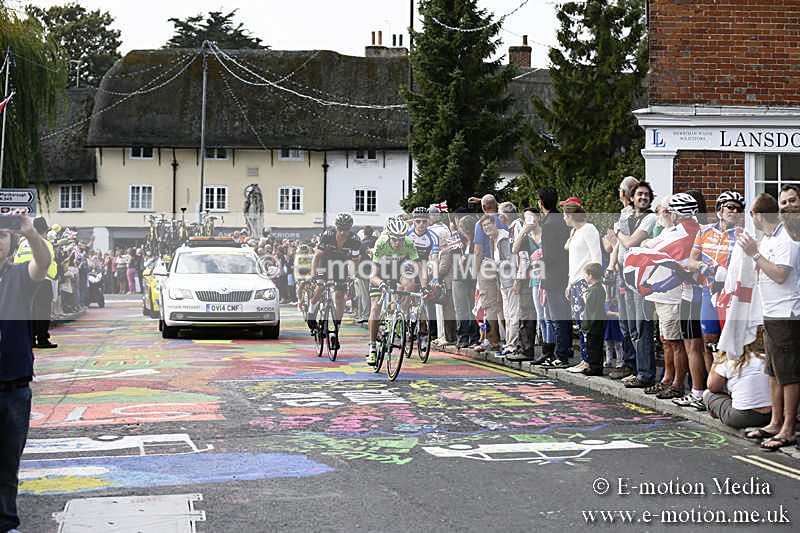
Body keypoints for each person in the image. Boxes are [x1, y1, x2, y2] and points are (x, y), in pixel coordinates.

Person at [0, 210, 51, 533]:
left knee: (7, 465)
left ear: (10, 243)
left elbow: (43, 263)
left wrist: (31, 233)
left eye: (2, 236)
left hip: (14, 389)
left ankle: (6, 524)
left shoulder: (19, 277)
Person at [738, 193, 799, 451]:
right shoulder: (768, 239)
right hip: (771, 314)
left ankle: (788, 428)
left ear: (759, 215)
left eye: (752, 213)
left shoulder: (787, 239)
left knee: (789, 374)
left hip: (787, 314)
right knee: (773, 372)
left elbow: (781, 275)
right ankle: (775, 422)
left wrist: (754, 256)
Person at [682, 190, 745, 409]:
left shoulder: (743, 236)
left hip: (731, 296)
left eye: (739, 209)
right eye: (730, 207)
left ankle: (731, 391)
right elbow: (691, 260)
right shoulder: (704, 232)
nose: (735, 212)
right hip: (709, 292)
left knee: (730, 343)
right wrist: (703, 266)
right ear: (719, 210)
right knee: (709, 342)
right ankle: (711, 392)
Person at [615, 181, 658, 388]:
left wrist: (617, 233)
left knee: (642, 327)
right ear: (631, 198)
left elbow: (630, 242)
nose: (643, 197)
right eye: (639, 194)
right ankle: (636, 370)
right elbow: (617, 246)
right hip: (626, 277)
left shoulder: (650, 218)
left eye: (646, 195)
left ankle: (646, 374)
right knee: (631, 327)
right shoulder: (629, 217)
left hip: (642, 280)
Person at [366, 216, 425, 365]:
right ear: (389, 236)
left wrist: (424, 287)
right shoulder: (381, 243)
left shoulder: (409, 243)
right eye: (394, 239)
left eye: (401, 239)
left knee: (410, 283)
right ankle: (372, 348)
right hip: (381, 272)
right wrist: (380, 284)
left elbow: (419, 267)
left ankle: (401, 316)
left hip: (399, 268)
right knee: (375, 307)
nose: (397, 243)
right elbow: (372, 274)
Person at [604, 176, 641, 379]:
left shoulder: (630, 215)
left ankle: (632, 365)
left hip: (628, 274)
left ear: (624, 194)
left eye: (620, 189)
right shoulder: (625, 214)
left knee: (630, 323)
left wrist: (611, 264)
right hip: (621, 271)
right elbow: (613, 245)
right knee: (625, 322)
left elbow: (622, 243)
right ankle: (629, 363)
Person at [308, 213, 361, 349]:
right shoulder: (328, 235)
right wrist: (314, 276)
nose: (343, 232)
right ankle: (311, 311)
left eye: (346, 229)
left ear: (350, 229)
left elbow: (354, 261)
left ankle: (336, 331)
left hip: (340, 265)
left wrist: (352, 277)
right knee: (320, 287)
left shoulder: (354, 240)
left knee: (339, 296)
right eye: (340, 229)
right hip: (324, 262)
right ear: (336, 228)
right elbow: (316, 256)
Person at [562, 200, 601, 373]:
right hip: (576, 281)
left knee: (588, 323)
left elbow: (596, 256)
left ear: (571, 215)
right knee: (580, 322)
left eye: (565, 215)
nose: (564, 218)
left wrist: (593, 281)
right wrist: (569, 283)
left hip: (587, 281)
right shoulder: (575, 231)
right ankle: (584, 359)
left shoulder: (589, 229)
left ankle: (591, 361)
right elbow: (573, 260)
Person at [535, 187, 572, 368]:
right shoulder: (561, 220)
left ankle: (560, 355)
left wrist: (537, 262)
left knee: (557, 318)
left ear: (541, 203)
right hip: (564, 273)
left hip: (553, 276)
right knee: (561, 317)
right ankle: (559, 352)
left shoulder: (548, 224)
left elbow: (549, 255)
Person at [14, 216, 58, 349]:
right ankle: (42, 339)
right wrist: (53, 275)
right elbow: (49, 263)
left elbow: (17, 262)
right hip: (43, 280)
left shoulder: (23, 244)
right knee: (43, 311)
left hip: (26, 281)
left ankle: (30, 339)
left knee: (29, 310)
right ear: (44, 231)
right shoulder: (46, 244)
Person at [473, 195, 507, 351]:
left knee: (489, 303)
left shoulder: (481, 223)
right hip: (504, 262)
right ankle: (509, 337)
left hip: (486, 264)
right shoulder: (503, 219)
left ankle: (493, 340)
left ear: (484, 208)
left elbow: (478, 250)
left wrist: (475, 268)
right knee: (505, 301)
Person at [703, 351, 772, 430]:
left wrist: (716, 361)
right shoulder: (764, 357)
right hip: (770, 415)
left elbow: (712, 387)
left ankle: (717, 412)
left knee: (707, 394)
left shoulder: (727, 361)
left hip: (742, 417)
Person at [580, 262, 606, 376]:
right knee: (596, 346)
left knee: (593, 347)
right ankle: (594, 366)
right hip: (598, 323)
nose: (585, 277)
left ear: (590, 275)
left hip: (593, 324)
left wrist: (586, 326)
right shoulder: (599, 289)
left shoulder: (593, 290)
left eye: (586, 275)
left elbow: (590, 309)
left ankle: (595, 367)